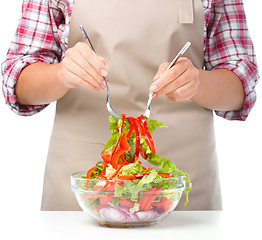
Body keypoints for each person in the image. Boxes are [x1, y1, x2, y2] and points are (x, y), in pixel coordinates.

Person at [1, 0, 259, 211]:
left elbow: (241, 86)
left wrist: (198, 83)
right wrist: (61, 75)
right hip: (81, 197)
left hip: (184, 193)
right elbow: (17, 84)